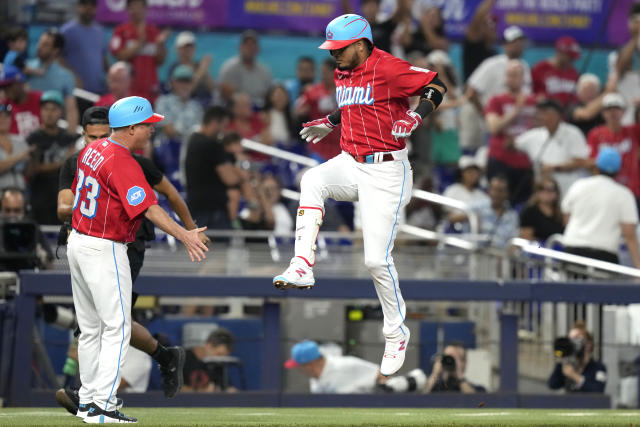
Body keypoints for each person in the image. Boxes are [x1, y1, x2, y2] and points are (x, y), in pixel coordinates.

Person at [272, 14, 447, 376]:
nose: (334, 54)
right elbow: (356, 102)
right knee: (312, 180)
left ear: (361, 43)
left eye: (339, 48)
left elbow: (436, 86)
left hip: (386, 170)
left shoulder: (389, 67)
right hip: (351, 161)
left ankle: (396, 333)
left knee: (376, 262)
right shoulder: (343, 71)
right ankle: (302, 264)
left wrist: (415, 116)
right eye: (331, 48)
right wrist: (332, 121)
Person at [55, 105, 209, 416]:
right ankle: (102, 405)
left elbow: (74, 196)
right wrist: (185, 234)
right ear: (130, 128)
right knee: (118, 327)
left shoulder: (92, 149)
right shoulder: (120, 159)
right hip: (104, 246)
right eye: (146, 124)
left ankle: (87, 399)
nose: (152, 130)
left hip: (79, 241)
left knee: (90, 328)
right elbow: (149, 209)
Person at [562, 147, 640, 267]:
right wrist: (638, 267)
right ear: (618, 171)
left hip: (572, 251)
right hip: (604, 256)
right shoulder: (624, 194)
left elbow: (567, 216)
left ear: (596, 166)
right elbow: (629, 234)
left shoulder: (578, 185)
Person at [184, 106, 249, 230]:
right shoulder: (211, 145)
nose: (223, 131)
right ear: (214, 121)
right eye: (223, 126)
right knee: (218, 249)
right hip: (212, 212)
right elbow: (230, 179)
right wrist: (243, 176)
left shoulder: (192, 140)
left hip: (195, 207)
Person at [484, 60, 537, 206]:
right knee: (498, 202)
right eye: (509, 75)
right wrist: (516, 111)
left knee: (523, 202)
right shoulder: (496, 100)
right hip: (501, 160)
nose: (511, 78)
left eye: (515, 75)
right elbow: (493, 127)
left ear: (523, 78)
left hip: (525, 162)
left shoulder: (534, 101)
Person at [514, 98, 589, 198]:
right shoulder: (535, 134)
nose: (540, 116)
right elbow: (512, 145)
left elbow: (582, 162)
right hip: (544, 195)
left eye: (545, 113)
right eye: (540, 113)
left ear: (557, 115)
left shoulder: (573, 133)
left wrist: (554, 167)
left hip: (568, 191)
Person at [26, 90, 76, 225]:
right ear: (40, 111)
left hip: (64, 197)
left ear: (61, 112)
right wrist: (63, 162)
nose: (49, 113)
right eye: (46, 109)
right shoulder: (34, 138)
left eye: (54, 109)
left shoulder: (67, 138)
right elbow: (33, 169)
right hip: (40, 198)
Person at [109, 0, 170, 103]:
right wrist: (139, 44)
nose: (136, 10)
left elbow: (160, 61)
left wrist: (160, 45)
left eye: (139, 6)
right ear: (127, 9)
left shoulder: (154, 31)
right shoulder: (121, 31)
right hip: (128, 92)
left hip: (150, 91)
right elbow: (119, 56)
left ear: (145, 9)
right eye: (133, 6)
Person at [586, 93, 640, 199]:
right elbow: (590, 161)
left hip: (632, 189)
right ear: (602, 113)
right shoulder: (595, 134)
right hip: (605, 190)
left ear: (623, 111)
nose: (612, 112)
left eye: (616, 108)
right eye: (608, 109)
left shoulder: (633, 131)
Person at [26, 29, 79, 133]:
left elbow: (71, 110)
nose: (39, 47)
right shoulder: (25, 68)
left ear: (56, 51)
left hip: (50, 132)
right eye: (40, 42)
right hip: (24, 126)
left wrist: (71, 138)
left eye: (45, 45)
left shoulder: (66, 76)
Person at [284, 340, 380, 394]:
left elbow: (382, 374)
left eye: (300, 366)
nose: (299, 370)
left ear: (309, 364)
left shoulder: (346, 364)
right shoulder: (314, 378)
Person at [450, 175, 519, 248]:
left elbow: (513, 241)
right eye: (494, 189)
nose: (496, 194)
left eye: (500, 191)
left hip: (499, 255)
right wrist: (471, 217)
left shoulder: (512, 216)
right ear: (489, 191)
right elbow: (452, 218)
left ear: (507, 193)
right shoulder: (478, 205)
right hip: (475, 252)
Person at [294, 58, 342, 162]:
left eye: (326, 72)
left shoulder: (345, 91)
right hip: (318, 145)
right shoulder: (313, 91)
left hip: (340, 147)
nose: (323, 75)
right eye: (322, 72)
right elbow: (297, 111)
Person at [59, 0, 108, 95]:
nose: (88, 8)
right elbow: (57, 58)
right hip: (76, 92)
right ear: (78, 6)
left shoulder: (100, 31)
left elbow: (102, 58)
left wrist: (111, 77)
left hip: (98, 90)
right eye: (84, 4)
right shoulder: (67, 31)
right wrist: (73, 76)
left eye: (92, 5)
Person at [0, 187, 53, 272]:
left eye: (16, 210)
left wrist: (42, 257)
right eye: (7, 210)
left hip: (28, 278)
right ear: (1, 210)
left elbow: (50, 267)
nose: (12, 215)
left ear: (24, 210)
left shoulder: (32, 229)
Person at [218, 30, 273, 107]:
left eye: (253, 44)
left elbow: (269, 95)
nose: (249, 48)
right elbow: (224, 96)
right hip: (235, 110)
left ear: (258, 48)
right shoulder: (229, 68)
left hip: (260, 111)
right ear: (240, 47)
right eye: (247, 44)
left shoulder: (265, 71)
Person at [548, 321, 607, 393]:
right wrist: (561, 360)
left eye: (577, 339)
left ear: (589, 344)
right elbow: (553, 384)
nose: (573, 343)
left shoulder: (598, 367)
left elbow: (598, 390)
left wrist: (574, 376)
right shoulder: (567, 364)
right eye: (570, 339)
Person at [154, 65, 204, 143]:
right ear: (172, 82)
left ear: (192, 84)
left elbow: (202, 132)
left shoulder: (197, 106)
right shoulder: (163, 101)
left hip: (191, 147)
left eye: (187, 81)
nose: (184, 85)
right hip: (169, 148)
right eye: (180, 81)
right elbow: (169, 131)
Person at [167, 31, 215, 105]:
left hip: (203, 104)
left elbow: (212, 88)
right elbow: (183, 91)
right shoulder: (174, 68)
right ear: (177, 49)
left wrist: (205, 70)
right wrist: (202, 70)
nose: (187, 51)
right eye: (184, 48)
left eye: (190, 47)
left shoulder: (198, 65)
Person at [531, 36, 580, 107]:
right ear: (560, 53)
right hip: (545, 112)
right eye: (570, 58)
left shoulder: (574, 72)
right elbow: (531, 93)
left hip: (567, 114)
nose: (572, 61)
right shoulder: (540, 68)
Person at [183, 328, 236, 392]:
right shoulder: (182, 359)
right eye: (218, 354)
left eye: (224, 357)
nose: (220, 359)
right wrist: (200, 391)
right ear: (208, 345)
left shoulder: (218, 364)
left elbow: (226, 387)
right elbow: (172, 389)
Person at [442, 156, 489, 224]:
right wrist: (471, 216)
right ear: (462, 173)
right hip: (454, 231)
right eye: (470, 172)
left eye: (476, 172)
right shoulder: (452, 190)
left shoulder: (482, 195)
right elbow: (449, 216)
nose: (473, 175)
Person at [1, 65, 42, 138]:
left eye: (9, 85)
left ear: (20, 83)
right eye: (4, 87)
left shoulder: (41, 99)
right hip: (14, 147)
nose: (6, 90)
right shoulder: (4, 106)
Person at [519, 176, 564, 242]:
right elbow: (526, 238)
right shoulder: (529, 212)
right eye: (542, 188)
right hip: (537, 249)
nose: (546, 192)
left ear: (557, 193)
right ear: (537, 191)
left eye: (551, 189)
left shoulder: (560, 214)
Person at [462, 0, 497, 81]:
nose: (492, 28)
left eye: (494, 26)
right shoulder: (473, 46)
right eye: (487, 25)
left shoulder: (495, 54)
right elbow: (479, 17)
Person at [0, 103, 31, 190]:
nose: (3, 120)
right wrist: (20, 157)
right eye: (0, 116)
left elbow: (28, 172)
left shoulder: (19, 141)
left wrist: (33, 159)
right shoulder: (22, 149)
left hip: (20, 191)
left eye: (6, 117)